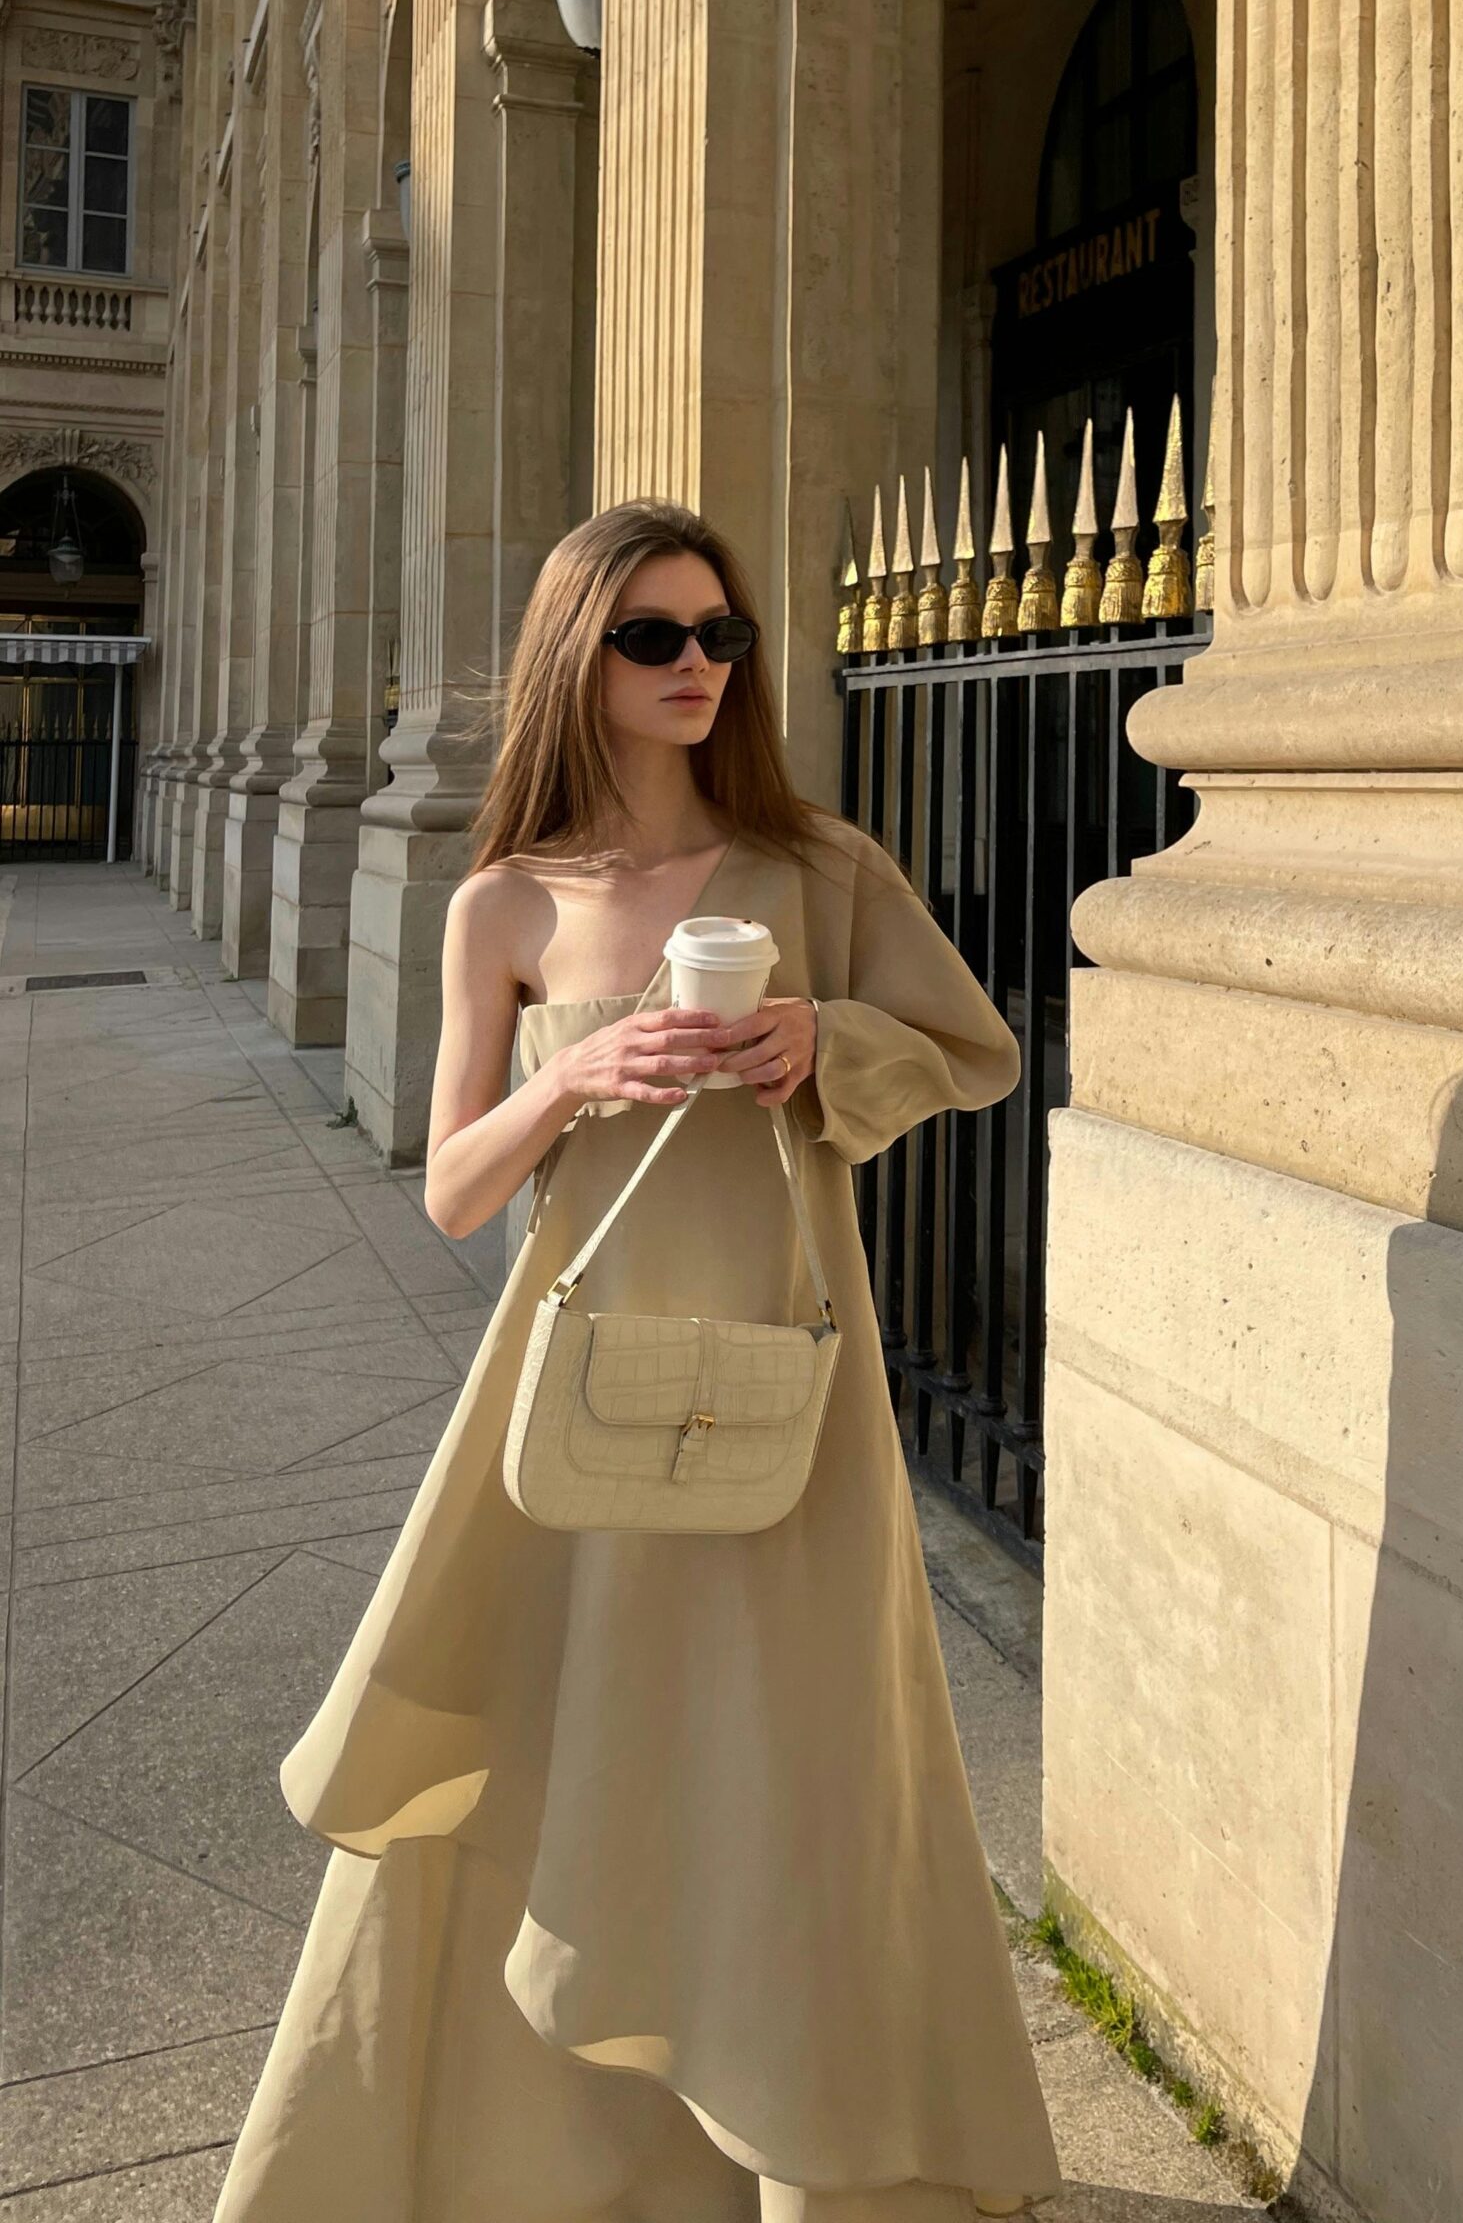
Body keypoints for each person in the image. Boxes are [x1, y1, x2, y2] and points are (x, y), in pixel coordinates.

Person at [213, 501, 1063, 2223]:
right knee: (543, 1762)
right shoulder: (508, 903)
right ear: (577, 659)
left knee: (796, 1762)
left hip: (788, 1396)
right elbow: (455, 1186)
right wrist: (572, 1084)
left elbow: (977, 1051)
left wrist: (824, 1038)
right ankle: (510, 2162)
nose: (698, 668)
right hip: (578, 1395)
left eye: (720, 637)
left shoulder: (819, 869)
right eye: (654, 638)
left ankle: (822, 2156)